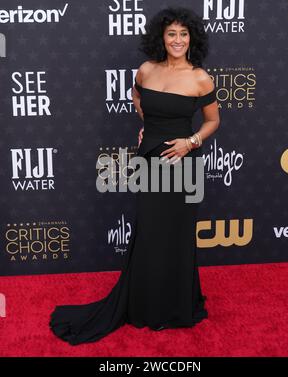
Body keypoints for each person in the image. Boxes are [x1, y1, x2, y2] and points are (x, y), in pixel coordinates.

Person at [49, 6, 220, 346]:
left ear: (192, 39)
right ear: (161, 37)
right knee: (149, 234)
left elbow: (213, 121)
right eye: (171, 33)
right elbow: (137, 98)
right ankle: (145, 305)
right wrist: (147, 126)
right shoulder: (146, 70)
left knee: (177, 237)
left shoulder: (200, 77)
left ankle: (176, 306)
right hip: (150, 162)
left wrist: (190, 142)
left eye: (183, 34)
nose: (177, 40)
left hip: (182, 167)